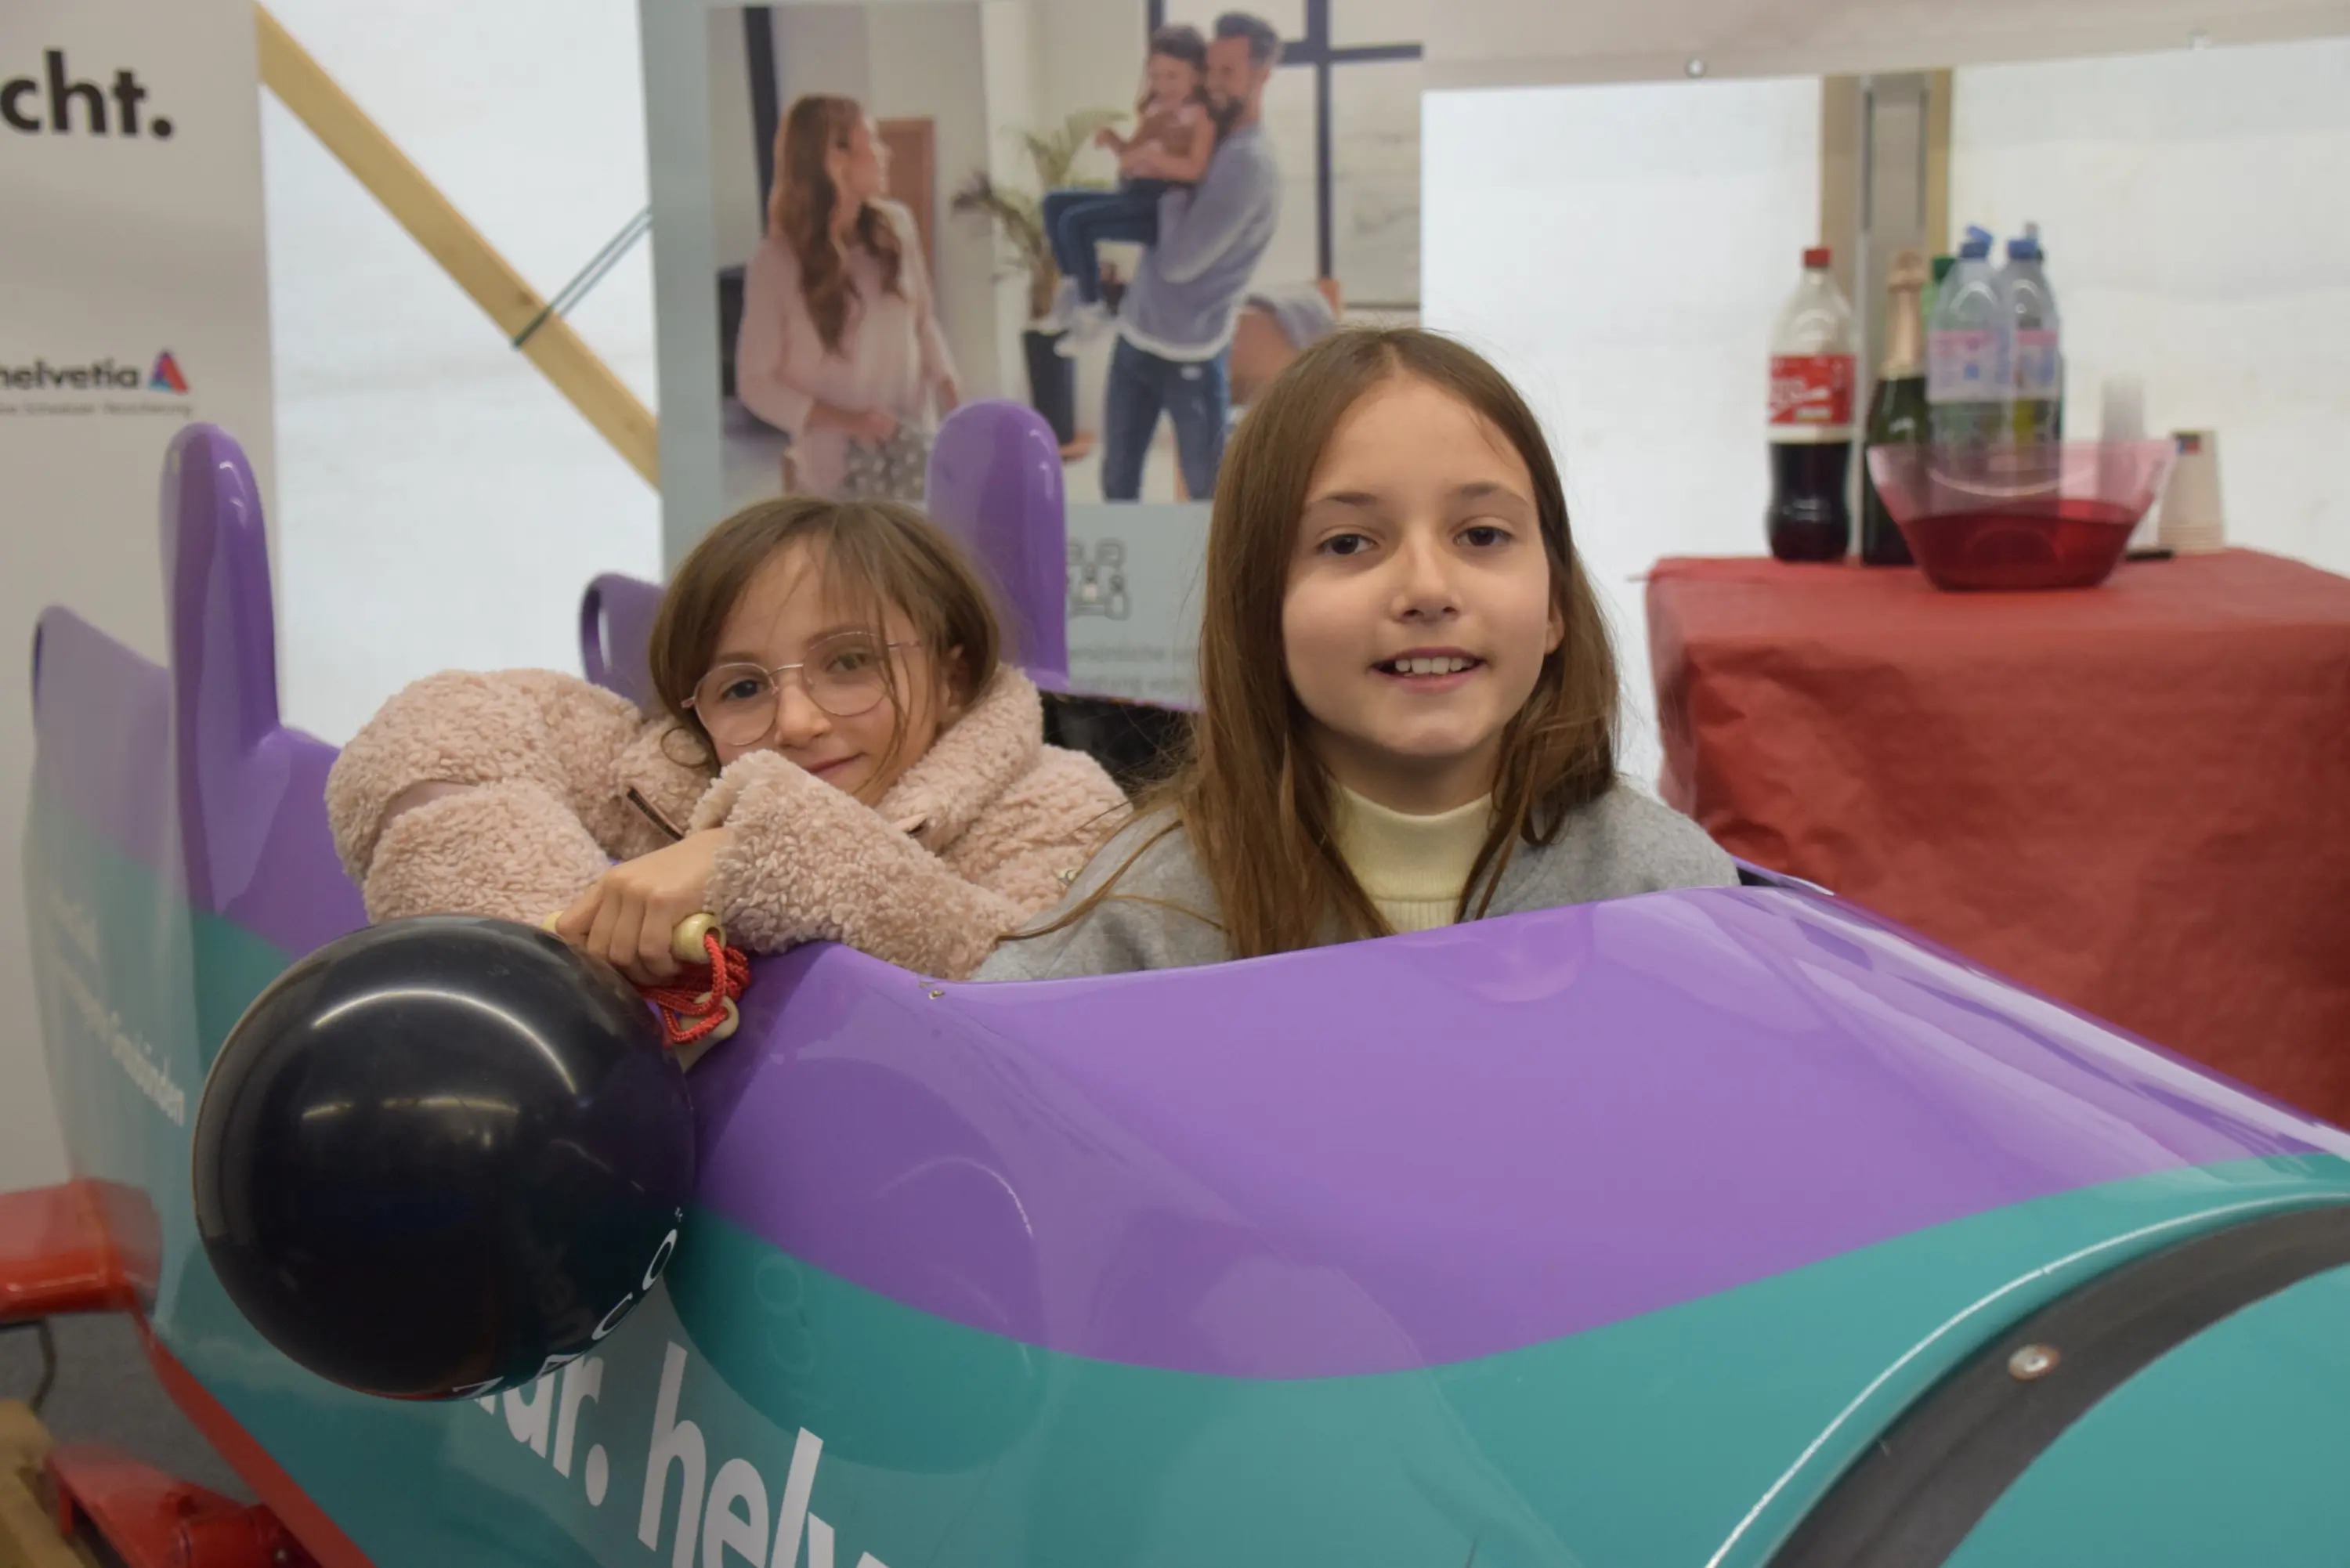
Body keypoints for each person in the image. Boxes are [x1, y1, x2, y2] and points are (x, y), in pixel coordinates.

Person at [977, 329, 1738, 980]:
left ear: (1555, 607)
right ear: (1257, 612)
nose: (1427, 588)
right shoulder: (1147, 915)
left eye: (1481, 535)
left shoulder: (1669, 892)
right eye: (1348, 543)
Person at [325, 498, 1128, 984]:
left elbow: (1028, 983)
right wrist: (554, 951)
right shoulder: (671, 771)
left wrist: (752, 860)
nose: (797, 722)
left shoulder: (1057, 807)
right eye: (743, 687)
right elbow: (437, 729)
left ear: (953, 677)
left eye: (849, 663)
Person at [1098, 11, 1284, 503]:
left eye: (1228, 72)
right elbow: (1132, 194)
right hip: (1137, 337)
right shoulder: (1208, 135)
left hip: (1191, 357)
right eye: (1210, 69)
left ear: (1263, 74)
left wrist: (1172, 178)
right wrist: (1148, 159)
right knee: (1117, 481)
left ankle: (1211, 585)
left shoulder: (1246, 162)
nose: (1212, 84)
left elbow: (1179, 260)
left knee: (1207, 502)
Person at [736, 95, 960, 501]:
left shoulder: (897, 226)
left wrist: (958, 406)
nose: (885, 153)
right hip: (834, 480)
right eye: (871, 140)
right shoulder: (775, 263)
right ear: (834, 157)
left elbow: (924, 323)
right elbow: (755, 383)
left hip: (913, 458)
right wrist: (850, 421)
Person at [1036, 25, 1220, 343]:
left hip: (1157, 206)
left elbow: (1195, 170)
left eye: (1172, 76)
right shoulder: (1154, 111)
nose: (1162, 85)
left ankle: (1094, 308)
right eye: (1156, 76)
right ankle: (1071, 293)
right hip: (1132, 194)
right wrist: (1114, 143)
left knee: (1075, 221)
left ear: (1197, 75)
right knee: (1054, 202)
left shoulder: (1200, 117)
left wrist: (1154, 161)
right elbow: (1131, 158)